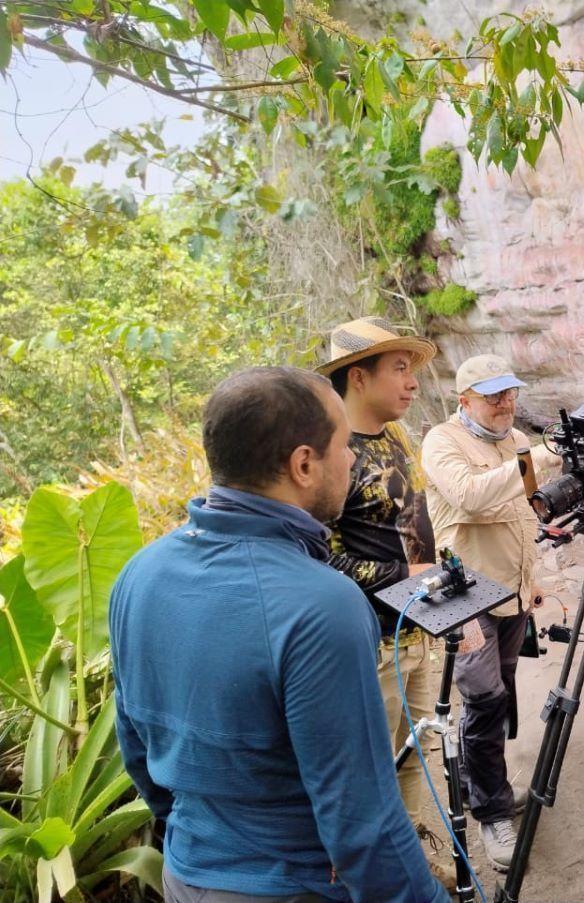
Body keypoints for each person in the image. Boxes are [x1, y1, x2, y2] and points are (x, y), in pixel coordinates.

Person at [109, 366, 450, 903]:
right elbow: (363, 823)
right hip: (294, 886)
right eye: (344, 446)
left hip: (185, 872)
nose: (353, 460)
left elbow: (134, 744)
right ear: (304, 464)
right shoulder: (322, 605)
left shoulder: (138, 574)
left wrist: (206, 838)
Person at [420, 354, 559, 871]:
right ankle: (491, 811)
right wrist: (537, 459)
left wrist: (532, 578)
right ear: (465, 399)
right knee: (483, 699)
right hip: (462, 591)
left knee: (500, 693)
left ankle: (486, 782)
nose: (506, 403)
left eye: (510, 393)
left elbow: (525, 514)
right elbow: (470, 497)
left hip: (512, 591)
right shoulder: (441, 441)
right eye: (493, 395)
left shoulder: (516, 439)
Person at [317, 317, 441, 840]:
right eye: (398, 369)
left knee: (415, 757)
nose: (412, 382)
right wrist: (406, 573)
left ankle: (410, 856)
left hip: (415, 631)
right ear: (358, 377)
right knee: (374, 772)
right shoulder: (330, 454)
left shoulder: (394, 434)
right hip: (371, 647)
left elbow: (412, 523)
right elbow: (321, 563)